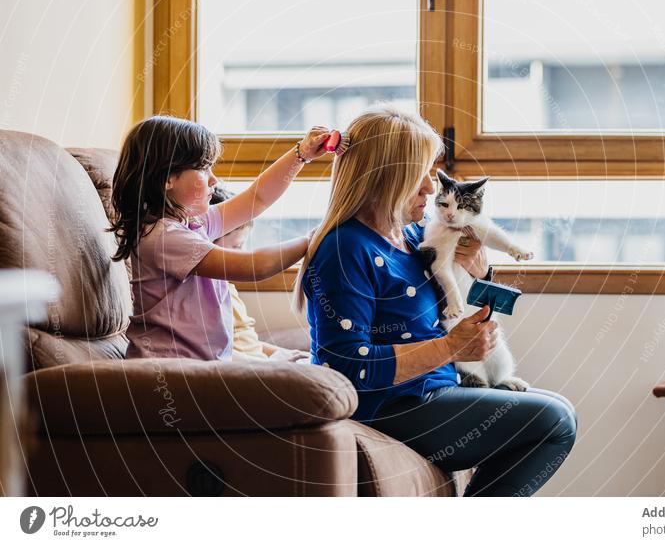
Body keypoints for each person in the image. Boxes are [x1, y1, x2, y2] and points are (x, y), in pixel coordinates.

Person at [294, 106, 577, 496]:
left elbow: (455, 304)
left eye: (431, 173)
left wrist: (481, 272)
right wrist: (448, 348)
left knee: (557, 411)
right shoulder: (345, 249)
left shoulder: (413, 237)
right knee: (553, 420)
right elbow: (346, 365)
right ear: (384, 179)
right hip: (392, 405)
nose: (431, 189)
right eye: (419, 175)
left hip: (437, 388)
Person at [109, 114, 329, 360]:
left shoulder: (193, 224)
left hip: (203, 366)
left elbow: (258, 198)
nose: (214, 179)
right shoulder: (164, 238)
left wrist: (301, 154)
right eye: (203, 168)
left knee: (298, 366)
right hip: (173, 370)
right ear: (167, 178)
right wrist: (312, 239)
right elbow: (254, 266)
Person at [209, 185, 309, 363]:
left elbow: (248, 342)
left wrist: (290, 354)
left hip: (260, 365)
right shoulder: (204, 295)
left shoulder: (226, 287)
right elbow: (214, 352)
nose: (243, 253)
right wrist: (269, 364)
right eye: (237, 246)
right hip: (247, 374)